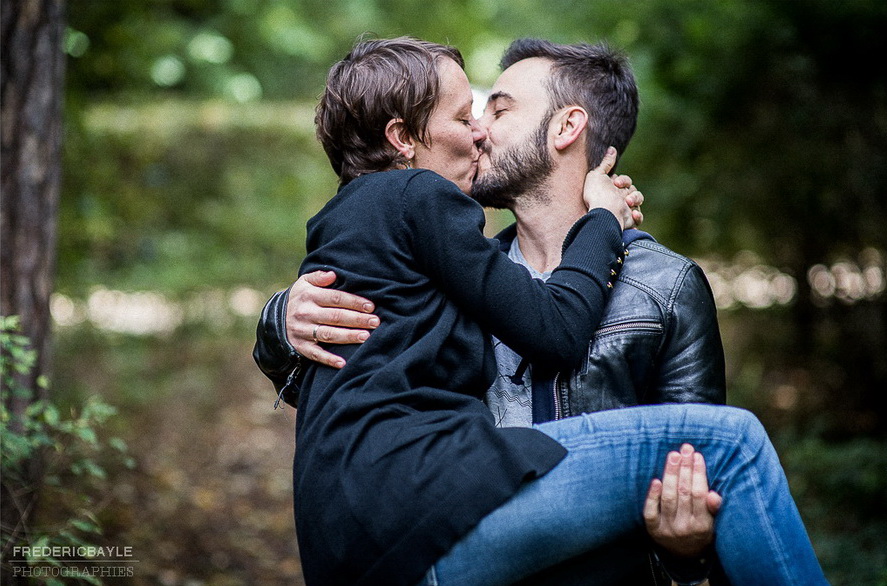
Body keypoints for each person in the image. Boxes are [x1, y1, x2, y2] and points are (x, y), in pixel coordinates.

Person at [255, 37, 828, 586]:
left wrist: (688, 552)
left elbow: (690, 490)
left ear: (566, 127)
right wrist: (281, 319)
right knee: (734, 443)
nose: (478, 131)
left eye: (496, 111)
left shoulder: (662, 287)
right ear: (403, 138)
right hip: (423, 515)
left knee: (714, 452)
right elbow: (360, 350)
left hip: (401, 537)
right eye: (466, 117)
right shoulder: (439, 237)